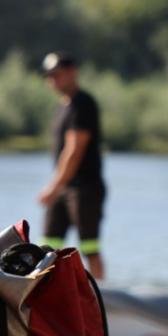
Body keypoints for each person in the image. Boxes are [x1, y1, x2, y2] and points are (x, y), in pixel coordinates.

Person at [39, 52, 106, 281]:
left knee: (90, 247)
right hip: (64, 187)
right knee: (48, 246)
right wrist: (58, 187)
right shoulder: (63, 106)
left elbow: (74, 150)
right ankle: (45, 298)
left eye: (57, 74)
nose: (53, 80)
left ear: (72, 72)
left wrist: (53, 186)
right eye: (49, 76)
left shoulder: (82, 104)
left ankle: (101, 299)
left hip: (84, 188)